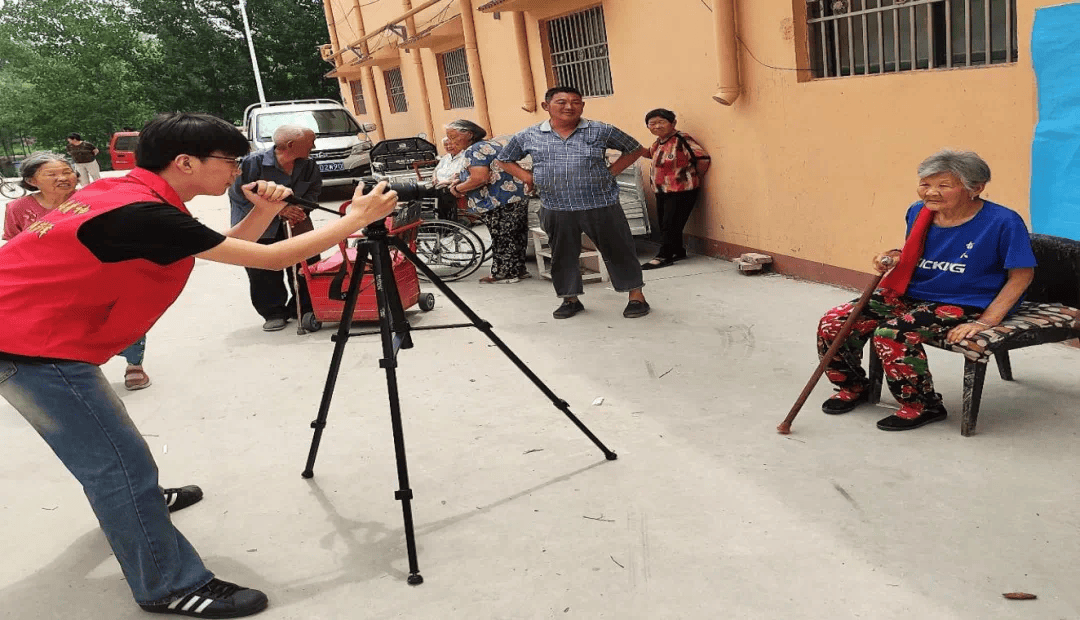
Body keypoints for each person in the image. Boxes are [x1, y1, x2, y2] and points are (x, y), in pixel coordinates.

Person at [0, 112, 398, 617]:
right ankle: (167, 585)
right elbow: (273, 261)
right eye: (229, 161)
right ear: (185, 162)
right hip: (28, 346)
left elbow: (228, 249)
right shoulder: (141, 213)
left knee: (115, 459)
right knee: (119, 466)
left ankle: (136, 507)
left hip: (32, 329)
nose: (237, 170)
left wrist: (261, 213)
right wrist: (354, 220)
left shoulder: (127, 195)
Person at [815, 149, 1036, 431]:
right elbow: (914, 252)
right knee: (835, 322)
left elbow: (1022, 275)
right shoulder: (918, 212)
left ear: (976, 188)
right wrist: (895, 257)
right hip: (912, 291)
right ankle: (854, 386)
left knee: (892, 334)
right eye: (925, 184)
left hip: (966, 299)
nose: (931, 192)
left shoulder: (1003, 222)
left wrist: (986, 321)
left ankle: (923, 405)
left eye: (943, 185)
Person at [3, 152, 153, 390]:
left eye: (67, 172)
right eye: (51, 174)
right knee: (61, 330)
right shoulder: (18, 208)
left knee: (119, 317)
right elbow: (14, 245)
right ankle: (77, 370)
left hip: (98, 273)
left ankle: (134, 364)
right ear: (32, 180)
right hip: (45, 282)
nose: (63, 177)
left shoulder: (94, 199)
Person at [498, 86, 651, 319]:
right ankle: (569, 299)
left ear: (582, 105)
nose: (569, 106)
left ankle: (636, 297)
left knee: (619, 250)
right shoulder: (528, 135)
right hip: (555, 205)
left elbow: (634, 149)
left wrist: (610, 173)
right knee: (562, 254)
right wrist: (527, 177)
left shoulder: (600, 130)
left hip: (600, 203)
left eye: (575, 102)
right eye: (561, 102)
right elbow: (504, 159)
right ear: (546, 106)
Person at [228, 125, 321, 332]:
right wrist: (277, 210)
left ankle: (305, 307)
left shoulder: (309, 165)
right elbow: (239, 195)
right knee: (263, 268)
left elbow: (314, 190)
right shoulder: (253, 163)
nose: (314, 146)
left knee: (306, 264)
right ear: (290, 145)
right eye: (311, 142)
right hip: (259, 226)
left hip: (297, 221)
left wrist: (301, 210)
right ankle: (273, 312)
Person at [445, 119, 530, 283]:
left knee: (502, 237)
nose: (450, 141)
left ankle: (504, 274)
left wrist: (457, 190)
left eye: (453, 136)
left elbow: (480, 178)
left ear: (469, 134)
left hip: (498, 198)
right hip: (513, 195)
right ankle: (518, 271)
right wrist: (461, 180)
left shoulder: (474, 150)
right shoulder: (491, 145)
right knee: (515, 236)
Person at [642, 108, 711, 269]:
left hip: (682, 190)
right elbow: (649, 154)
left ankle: (664, 256)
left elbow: (703, 158)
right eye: (652, 123)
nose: (657, 126)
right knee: (666, 222)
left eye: (661, 122)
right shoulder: (659, 142)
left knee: (670, 223)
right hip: (661, 190)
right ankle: (677, 251)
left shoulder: (681, 139)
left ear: (673, 123)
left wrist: (694, 177)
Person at [430, 135, 468, 221]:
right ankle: (435, 221)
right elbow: (436, 170)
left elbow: (462, 173)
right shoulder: (446, 157)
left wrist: (448, 181)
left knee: (442, 192)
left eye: (451, 144)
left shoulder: (464, 156)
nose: (448, 147)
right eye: (446, 145)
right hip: (439, 183)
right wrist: (434, 177)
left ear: (458, 144)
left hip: (452, 184)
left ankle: (448, 221)